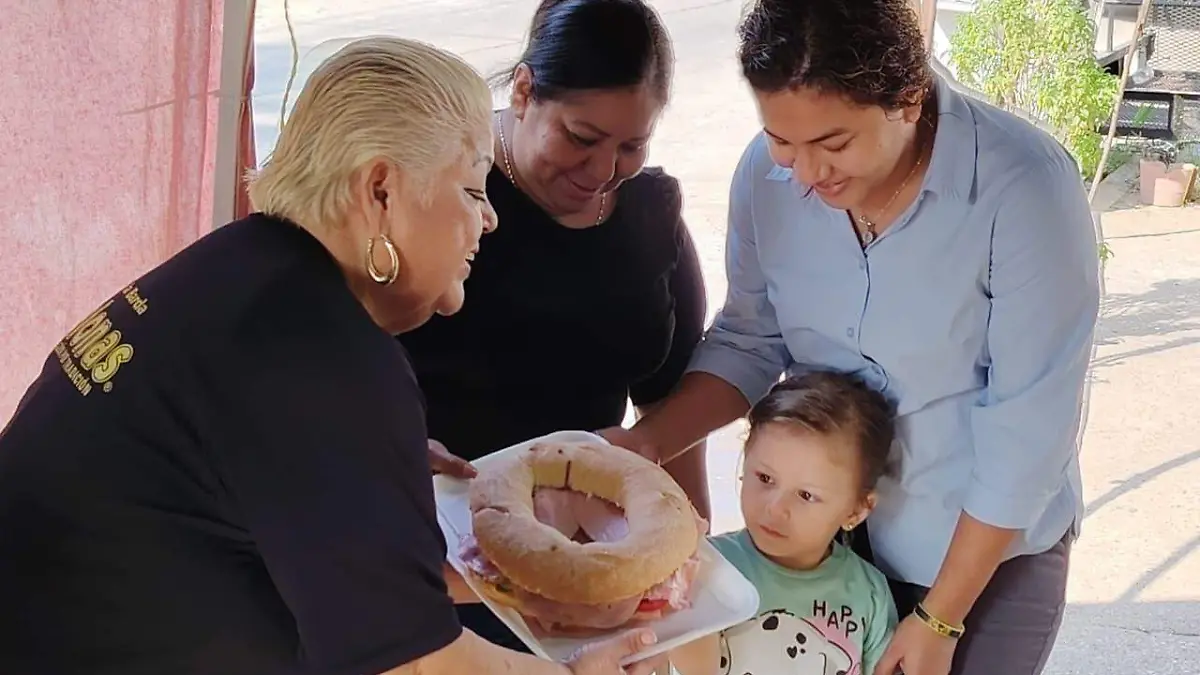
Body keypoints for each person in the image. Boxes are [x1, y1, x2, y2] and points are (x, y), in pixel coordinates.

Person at [0, 37, 664, 675]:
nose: (488, 218)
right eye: (471, 189)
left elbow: (311, 554)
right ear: (381, 191)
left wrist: (371, 483)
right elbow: (408, 663)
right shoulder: (323, 355)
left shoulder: (239, 267)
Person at [602, 2, 1101, 674]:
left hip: (982, 554)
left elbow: (1028, 432)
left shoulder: (1023, 187)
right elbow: (751, 338)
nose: (806, 174)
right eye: (782, 140)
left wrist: (940, 616)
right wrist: (649, 443)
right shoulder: (765, 178)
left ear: (909, 98)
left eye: (834, 143)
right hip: (827, 537)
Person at [400, 0, 708, 654]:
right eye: (581, 137)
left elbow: (670, 397)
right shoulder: (447, 191)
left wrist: (689, 562)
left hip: (592, 566)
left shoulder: (652, 217)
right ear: (523, 91)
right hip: (427, 560)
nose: (602, 172)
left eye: (631, 146)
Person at [669, 372, 899, 675]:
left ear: (856, 510)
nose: (775, 508)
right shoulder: (707, 569)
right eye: (765, 478)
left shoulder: (869, 593)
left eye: (806, 495)